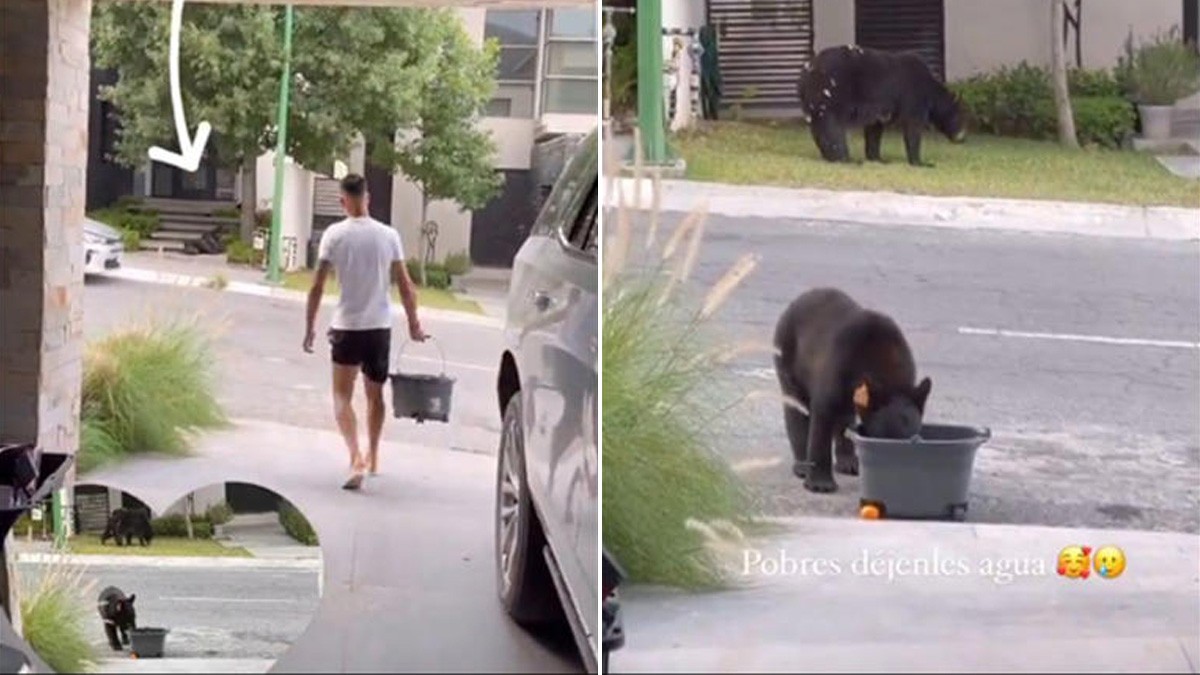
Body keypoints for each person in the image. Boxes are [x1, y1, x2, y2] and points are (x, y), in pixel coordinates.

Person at [303, 173, 426, 490]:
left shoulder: (334, 235)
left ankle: (355, 457)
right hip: (378, 329)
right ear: (367, 198)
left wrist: (310, 328)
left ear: (343, 201)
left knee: (341, 396)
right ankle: (374, 455)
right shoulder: (389, 235)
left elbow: (317, 286)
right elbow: (406, 286)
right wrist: (414, 324)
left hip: (347, 327)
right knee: (375, 396)